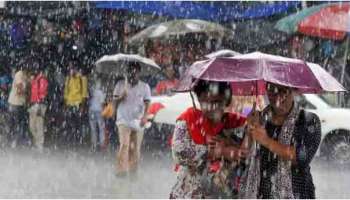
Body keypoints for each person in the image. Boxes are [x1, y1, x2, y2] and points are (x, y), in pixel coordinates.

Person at [239, 82, 321, 199]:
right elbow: (243, 155)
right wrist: (249, 130)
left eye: (284, 91)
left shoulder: (308, 121)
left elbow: (301, 158)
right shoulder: (259, 118)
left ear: (294, 90)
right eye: (272, 90)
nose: (278, 97)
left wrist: (266, 140)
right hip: (260, 193)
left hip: (296, 193)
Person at [169, 80, 248, 199]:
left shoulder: (236, 123)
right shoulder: (188, 119)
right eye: (206, 102)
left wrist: (232, 147)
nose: (211, 107)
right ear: (199, 100)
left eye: (217, 102)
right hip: (189, 193)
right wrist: (218, 152)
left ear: (226, 100)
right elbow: (179, 153)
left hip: (223, 193)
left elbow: (247, 154)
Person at [113, 62, 151, 176]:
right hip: (123, 119)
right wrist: (121, 97)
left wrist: (145, 116)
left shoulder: (145, 87)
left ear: (139, 73)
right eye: (130, 71)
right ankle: (121, 171)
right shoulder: (120, 84)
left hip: (138, 120)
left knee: (135, 148)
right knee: (124, 144)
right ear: (127, 72)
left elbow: (147, 102)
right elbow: (114, 102)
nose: (133, 74)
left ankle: (133, 171)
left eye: (135, 71)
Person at [63, 63, 88, 147]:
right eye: (70, 69)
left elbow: (84, 94)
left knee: (78, 124)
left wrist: (82, 107)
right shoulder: (68, 78)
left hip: (78, 104)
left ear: (76, 69)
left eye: (72, 69)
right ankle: (70, 140)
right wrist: (65, 105)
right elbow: (66, 92)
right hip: (70, 104)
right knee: (69, 123)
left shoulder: (82, 78)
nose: (71, 71)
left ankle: (78, 141)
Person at [7, 65, 30, 147]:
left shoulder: (24, 76)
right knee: (16, 123)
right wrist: (25, 91)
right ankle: (13, 141)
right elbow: (19, 89)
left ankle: (13, 140)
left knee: (15, 123)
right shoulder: (20, 75)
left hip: (18, 103)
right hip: (15, 103)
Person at [28, 66, 49, 151]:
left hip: (39, 105)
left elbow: (43, 93)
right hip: (33, 105)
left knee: (39, 125)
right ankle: (37, 143)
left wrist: (40, 106)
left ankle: (39, 145)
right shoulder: (35, 81)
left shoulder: (42, 80)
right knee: (32, 126)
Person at [88, 79, 106, 152]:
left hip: (91, 111)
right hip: (99, 111)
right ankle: (102, 144)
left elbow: (89, 101)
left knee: (93, 129)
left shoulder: (92, 92)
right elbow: (102, 104)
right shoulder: (101, 93)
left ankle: (94, 145)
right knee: (101, 129)